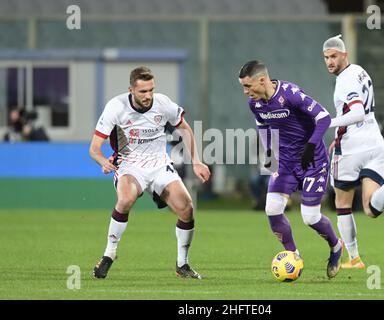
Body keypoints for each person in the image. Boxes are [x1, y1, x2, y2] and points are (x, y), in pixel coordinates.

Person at [89, 66, 210, 279]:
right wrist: (102, 161)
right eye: (143, 91)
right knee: (126, 199)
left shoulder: (163, 104)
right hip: (129, 165)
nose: (148, 96)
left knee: (187, 208)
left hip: (159, 165)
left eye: (151, 90)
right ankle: (109, 254)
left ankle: (182, 265)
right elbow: (94, 148)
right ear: (131, 90)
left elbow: (185, 129)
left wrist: (197, 162)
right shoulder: (116, 107)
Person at [238, 60, 343, 279]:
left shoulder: (290, 94)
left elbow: (323, 117)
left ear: (263, 80)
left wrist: (311, 146)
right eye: (243, 87)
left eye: (248, 86)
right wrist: (269, 153)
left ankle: (336, 246)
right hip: (285, 162)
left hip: (312, 161)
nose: (246, 92)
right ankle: (293, 255)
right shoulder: (255, 104)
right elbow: (262, 125)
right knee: (272, 209)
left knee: (310, 217)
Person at [323, 35, 384, 269]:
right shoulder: (360, 71)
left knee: (342, 203)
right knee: (371, 209)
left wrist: (328, 123)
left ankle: (354, 258)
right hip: (374, 142)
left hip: (352, 147)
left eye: (334, 56)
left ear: (344, 55)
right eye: (326, 58)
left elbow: (357, 112)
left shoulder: (344, 81)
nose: (330, 62)